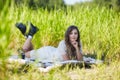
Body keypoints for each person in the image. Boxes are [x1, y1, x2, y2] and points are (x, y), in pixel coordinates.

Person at [15, 22, 83, 62]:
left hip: (52, 51)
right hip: (47, 53)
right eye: (71, 33)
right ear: (68, 35)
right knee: (24, 53)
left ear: (78, 35)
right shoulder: (63, 43)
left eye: (75, 33)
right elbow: (68, 62)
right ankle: (30, 35)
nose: (73, 35)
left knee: (30, 51)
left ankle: (27, 34)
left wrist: (77, 48)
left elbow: (80, 60)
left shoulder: (79, 43)